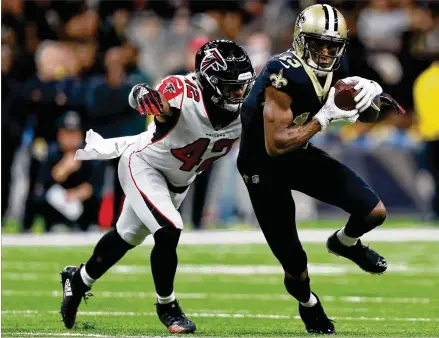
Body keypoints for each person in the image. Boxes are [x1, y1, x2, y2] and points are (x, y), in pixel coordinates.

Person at [59, 40, 255, 334]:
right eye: (230, 87)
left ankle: (77, 281)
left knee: (126, 236)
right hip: (144, 166)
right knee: (168, 228)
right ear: (209, 82)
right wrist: (142, 96)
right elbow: (156, 100)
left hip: (177, 183)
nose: (238, 94)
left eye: (242, 87)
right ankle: (168, 305)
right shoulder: (183, 91)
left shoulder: (246, 113)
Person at [237, 4, 402, 334]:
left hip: (298, 155)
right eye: (318, 44)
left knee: (374, 212)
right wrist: (324, 117)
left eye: (332, 45)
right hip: (263, 166)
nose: (326, 52)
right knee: (296, 267)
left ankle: (344, 243)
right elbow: (276, 144)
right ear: (300, 40)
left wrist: (370, 98)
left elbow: (363, 115)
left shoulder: (335, 66)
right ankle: (308, 303)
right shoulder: (282, 72)